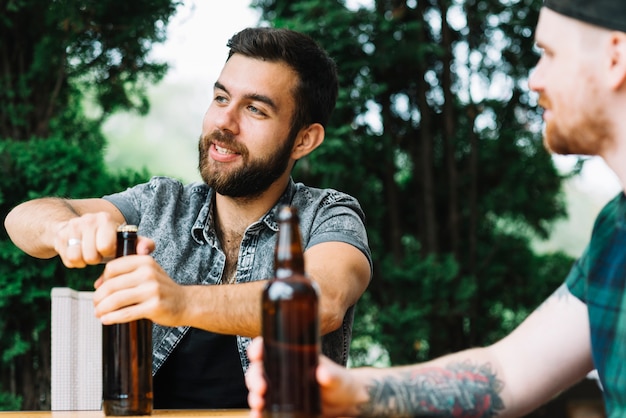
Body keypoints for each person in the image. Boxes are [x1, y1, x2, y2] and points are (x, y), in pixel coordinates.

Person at [245, 1, 626, 417]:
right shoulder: (615, 233)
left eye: (549, 54)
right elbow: (506, 373)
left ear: (614, 58)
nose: (534, 79)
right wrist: (347, 389)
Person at [3, 27, 372, 409]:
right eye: (220, 98)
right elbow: (22, 219)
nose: (223, 123)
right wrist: (67, 229)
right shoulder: (161, 203)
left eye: (255, 109)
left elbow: (321, 301)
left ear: (303, 139)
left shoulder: (327, 214)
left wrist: (178, 302)